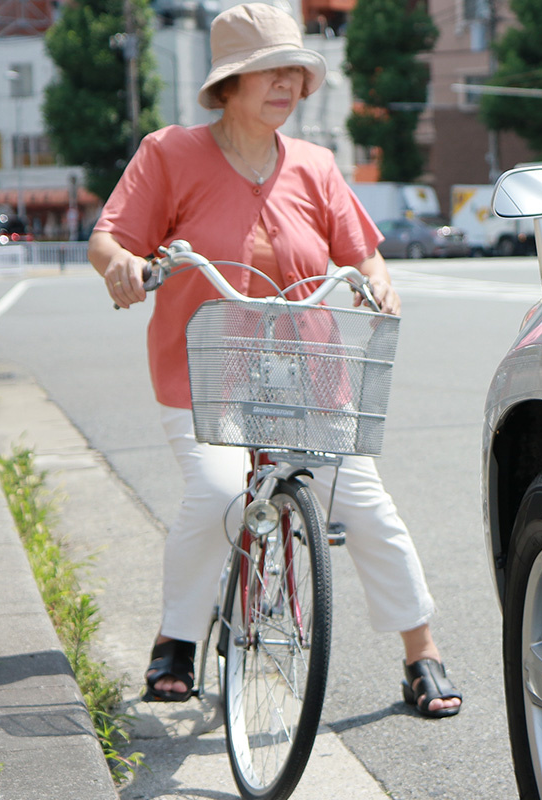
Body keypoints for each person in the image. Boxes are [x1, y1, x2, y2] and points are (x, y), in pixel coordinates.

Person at [88, 2, 461, 718]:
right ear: (229, 84)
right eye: (269, 70)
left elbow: (364, 254)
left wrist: (379, 282)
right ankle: (177, 638)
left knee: (365, 506)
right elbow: (109, 239)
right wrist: (125, 267)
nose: (287, 82)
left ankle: (423, 654)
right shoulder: (169, 153)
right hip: (204, 376)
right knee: (222, 493)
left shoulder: (317, 166)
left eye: (295, 69)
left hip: (309, 377)